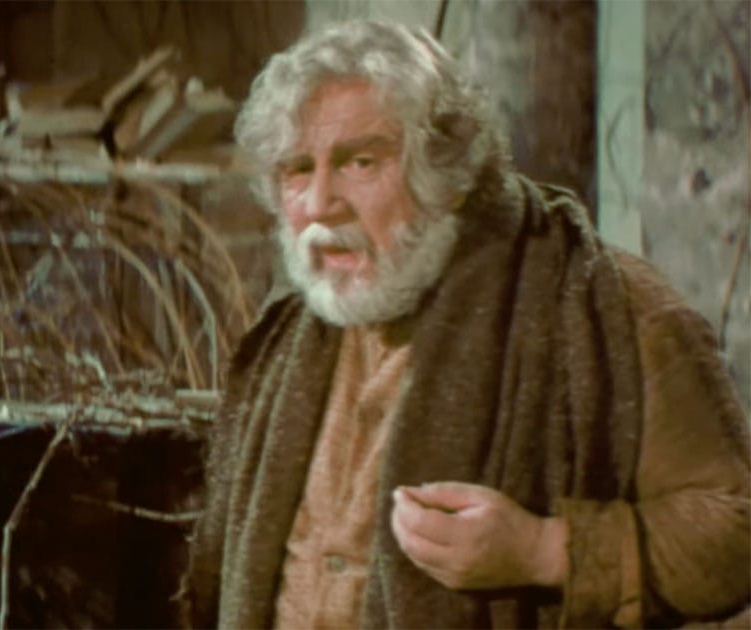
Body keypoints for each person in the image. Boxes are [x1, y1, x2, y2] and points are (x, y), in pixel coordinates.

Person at [181, 19, 750, 629]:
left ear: (444, 173)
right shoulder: (285, 335)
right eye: (298, 170)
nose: (321, 204)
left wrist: (543, 549)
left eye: (360, 162)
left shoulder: (603, 305)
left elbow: (736, 533)